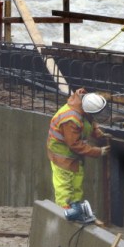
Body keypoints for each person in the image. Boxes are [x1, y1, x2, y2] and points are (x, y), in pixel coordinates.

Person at [46, 88, 110, 222]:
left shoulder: (84, 106)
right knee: (64, 188)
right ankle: (65, 214)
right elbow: (74, 144)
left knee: (76, 184)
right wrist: (98, 151)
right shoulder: (71, 119)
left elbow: (89, 122)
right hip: (62, 156)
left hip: (74, 157)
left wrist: (98, 133)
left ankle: (76, 210)